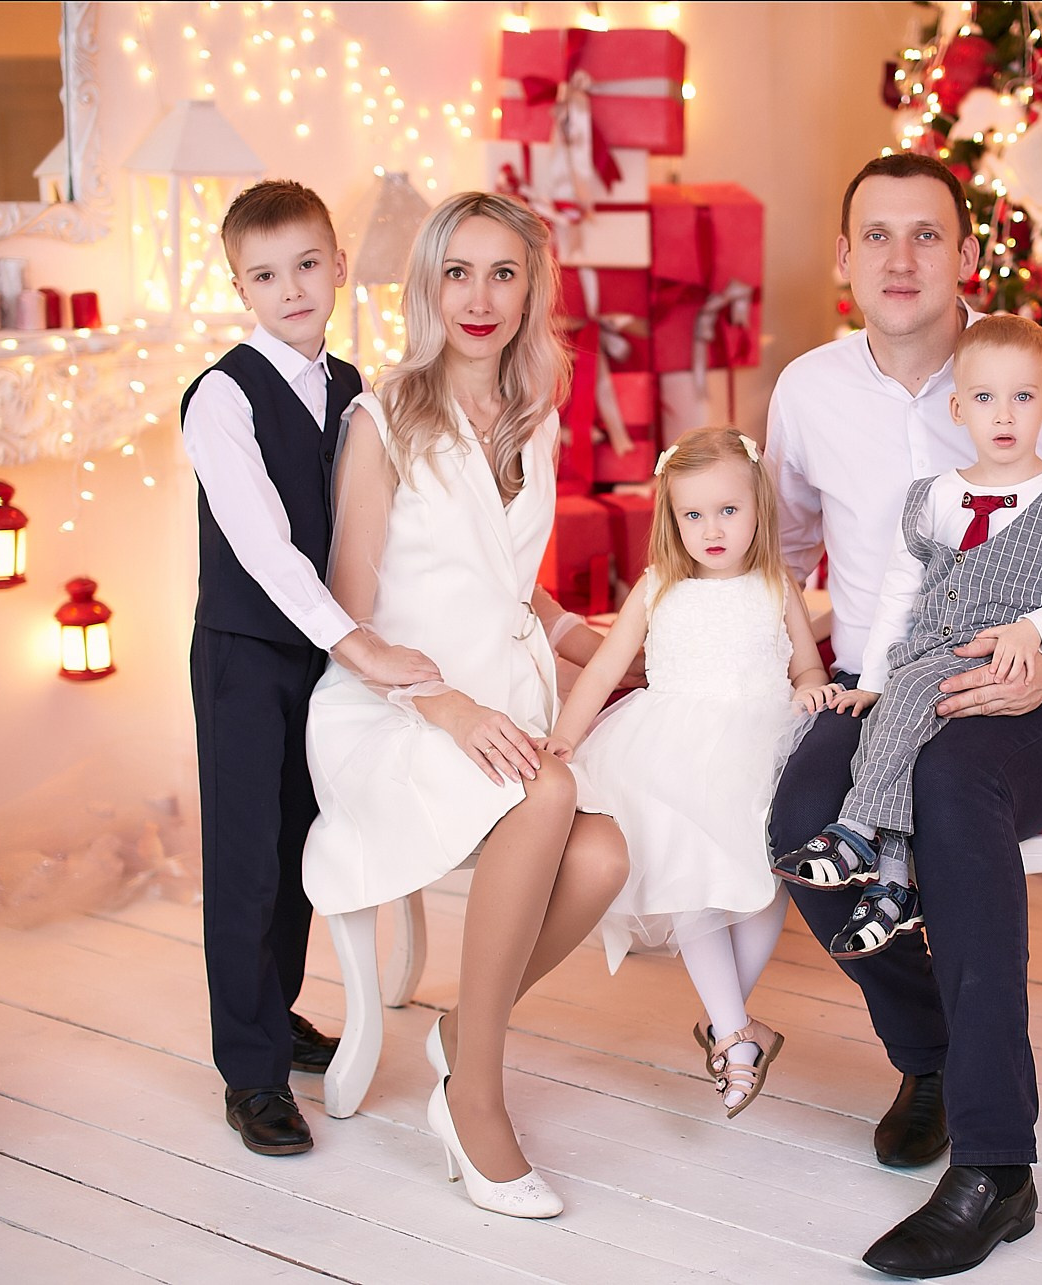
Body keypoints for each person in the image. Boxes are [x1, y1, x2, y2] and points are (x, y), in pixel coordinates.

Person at [766, 154, 1042, 1278]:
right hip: (886, 681)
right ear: (844, 257)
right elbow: (779, 555)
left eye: (928, 235)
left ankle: (998, 1165)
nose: (901, 258)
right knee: (803, 821)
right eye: (877, 235)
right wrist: (795, 668)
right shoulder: (808, 390)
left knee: (955, 783)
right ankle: (934, 1053)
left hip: (1041, 692)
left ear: (966, 255)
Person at [301, 191, 629, 1219]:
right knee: (549, 791)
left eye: (502, 274)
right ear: (428, 286)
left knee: (605, 854)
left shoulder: (538, 417)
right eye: (458, 273)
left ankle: (459, 1033)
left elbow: (509, 583)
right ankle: (475, 1096)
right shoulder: (383, 419)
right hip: (387, 711)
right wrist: (442, 706)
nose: (479, 298)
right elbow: (349, 614)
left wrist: (610, 650)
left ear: (530, 291)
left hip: (499, 700)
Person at [181, 179, 442, 1158]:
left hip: (326, 653)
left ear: (336, 265)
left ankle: (274, 1009)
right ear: (238, 286)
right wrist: (358, 643)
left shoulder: (351, 386)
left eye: (304, 265)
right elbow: (265, 547)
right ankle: (249, 1072)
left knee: (301, 841)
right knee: (245, 857)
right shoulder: (221, 396)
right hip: (249, 655)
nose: (289, 289)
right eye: (264, 275)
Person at [776, 315, 1042, 961]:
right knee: (892, 723)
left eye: (1023, 397)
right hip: (922, 654)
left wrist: (1035, 629)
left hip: (996, 663)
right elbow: (897, 596)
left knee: (909, 705)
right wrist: (870, 681)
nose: (1004, 415)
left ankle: (856, 829)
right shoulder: (934, 497)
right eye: (985, 397)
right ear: (959, 409)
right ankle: (894, 883)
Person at [542, 427, 834, 1117]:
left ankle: (731, 1022)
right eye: (693, 514)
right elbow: (604, 671)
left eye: (728, 510)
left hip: (761, 743)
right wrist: (565, 738)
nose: (712, 529)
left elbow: (806, 666)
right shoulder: (658, 587)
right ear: (672, 518)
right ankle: (734, 1038)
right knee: (689, 884)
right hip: (673, 750)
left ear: (758, 507)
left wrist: (810, 690)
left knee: (767, 883)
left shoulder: (777, 586)